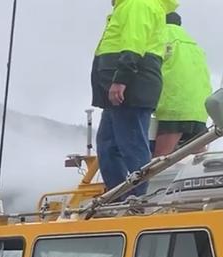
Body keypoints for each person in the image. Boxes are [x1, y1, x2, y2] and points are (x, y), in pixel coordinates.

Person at [90, 0, 178, 194]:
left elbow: (134, 43)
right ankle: (119, 196)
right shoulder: (132, 5)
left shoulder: (138, 3)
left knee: (131, 144)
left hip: (130, 86)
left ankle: (138, 198)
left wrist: (121, 79)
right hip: (126, 88)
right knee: (109, 145)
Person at [153, 12, 213, 156]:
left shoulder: (161, 37)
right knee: (197, 161)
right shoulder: (194, 45)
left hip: (175, 108)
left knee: (159, 162)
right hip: (200, 110)